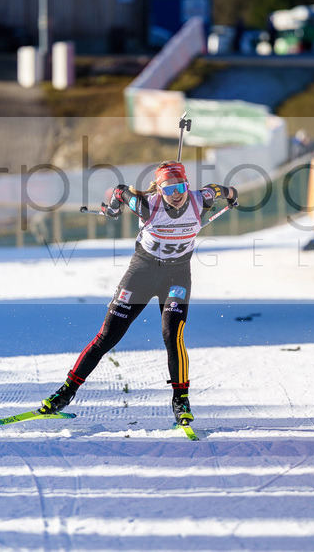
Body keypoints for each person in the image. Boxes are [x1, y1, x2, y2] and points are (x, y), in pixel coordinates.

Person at [37, 160, 238, 426]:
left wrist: (232, 194)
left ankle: (181, 401)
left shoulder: (201, 199)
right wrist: (112, 208)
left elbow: (220, 189)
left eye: (180, 187)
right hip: (141, 275)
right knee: (107, 336)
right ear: (160, 190)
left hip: (176, 276)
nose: (175, 195)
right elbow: (120, 190)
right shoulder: (146, 204)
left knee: (172, 335)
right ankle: (65, 392)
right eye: (168, 190)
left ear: (186, 185)